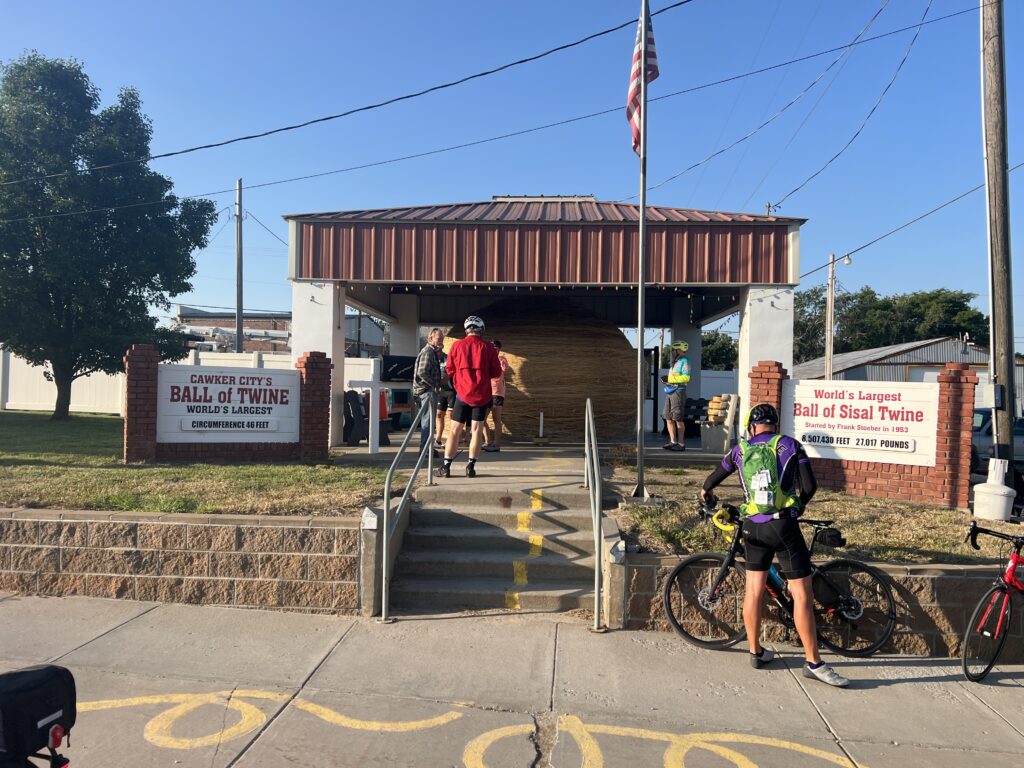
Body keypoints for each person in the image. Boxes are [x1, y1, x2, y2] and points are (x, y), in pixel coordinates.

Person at [699, 403, 850, 688]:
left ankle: (756, 652)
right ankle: (814, 663)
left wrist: (705, 492)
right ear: (775, 425)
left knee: (754, 591)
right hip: (783, 526)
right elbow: (809, 487)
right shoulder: (790, 446)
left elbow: (712, 481)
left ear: (751, 427)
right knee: (802, 594)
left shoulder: (739, 450)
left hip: (753, 526)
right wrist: (798, 507)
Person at [438, 316, 502, 478]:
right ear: (481, 330)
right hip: (482, 396)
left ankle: (446, 467)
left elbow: (450, 370)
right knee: (476, 430)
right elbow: (496, 373)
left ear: (466, 330)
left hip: (462, 396)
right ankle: (471, 466)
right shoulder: (488, 348)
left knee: (454, 431)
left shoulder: (457, 346)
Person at [412, 327, 444, 455]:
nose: (441, 340)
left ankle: (427, 448)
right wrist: (434, 385)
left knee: (429, 421)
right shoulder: (428, 352)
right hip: (426, 391)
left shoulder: (431, 352)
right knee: (427, 421)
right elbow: (422, 372)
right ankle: (425, 450)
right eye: (439, 338)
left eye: (442, 338)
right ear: (430, 338)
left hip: (427, 390)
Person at [662, 341, 691, 451]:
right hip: (670, 391)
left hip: (679, 391)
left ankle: (681, 444)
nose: (671, 353)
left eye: (673, 350)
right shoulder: (675, 361)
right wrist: (667, 380)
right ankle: (673, 442)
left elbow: (686, 378)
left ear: (678, 350)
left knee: (678, 419)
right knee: (667, 417)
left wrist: (670, 379)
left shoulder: (685, 361)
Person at [483, 339, 509, 452]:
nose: (493, 350)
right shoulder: (486, 359)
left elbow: (503, 369)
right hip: (487, 391)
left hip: (497, 392)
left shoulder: (501, 359)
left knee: (496, 418)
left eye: (495, 348)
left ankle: (497, 444)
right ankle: (488, 441)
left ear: (499, 349)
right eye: (491, 347)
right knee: (481, 417)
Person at [435, 344, 456, 450]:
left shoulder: (447, 358)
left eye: (437, 351)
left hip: (451, 390)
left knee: (451, 415)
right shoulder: (433, 359)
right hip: (441, 391)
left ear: (441, 351)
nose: (436, 354)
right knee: (439, 415)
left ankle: (450, 441)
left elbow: (452, 373)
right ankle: (438, 439)